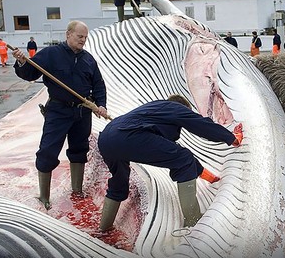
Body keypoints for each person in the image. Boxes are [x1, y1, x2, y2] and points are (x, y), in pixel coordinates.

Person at [97, 95, 243, 230]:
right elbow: (201, 124)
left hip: (106, 139)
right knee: (184, 160)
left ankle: (104, 228)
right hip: (128, 137)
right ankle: (193, 221)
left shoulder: (155, 109)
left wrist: (205, 175)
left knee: (119, 181)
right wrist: (230, 138)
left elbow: (170, 149)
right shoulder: (174, 107)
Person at [12, 20, 108, 209]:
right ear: (68, 34)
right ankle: (44, 197)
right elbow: (30, 73)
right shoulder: (51, 54)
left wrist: (101, 105)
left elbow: (99, 85)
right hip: (58, 110)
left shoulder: (88, 59)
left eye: (85, 37)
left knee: (79, 150)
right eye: (80, 36)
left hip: (82, 111)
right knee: (47, 151)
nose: (83, 40)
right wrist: (22, 61)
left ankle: (77, 191)